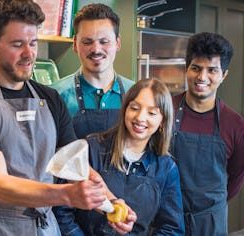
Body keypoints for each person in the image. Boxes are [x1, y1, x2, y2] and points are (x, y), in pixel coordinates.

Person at [0, 0, 136, 235]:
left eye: (34, 43)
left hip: (47, 227)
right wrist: (66, 195)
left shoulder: (49, 98)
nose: (29, 54)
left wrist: (111, 204)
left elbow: (76, 166)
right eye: (18, 44)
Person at [54, 78, 185, 235]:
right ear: (124, 111)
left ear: (162, 121)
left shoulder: (166, 168)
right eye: (135, 108)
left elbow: (171, 228)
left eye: (151, 113)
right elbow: (61, 211)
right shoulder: (91, 151)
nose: (140, 118)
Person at [169, 32, 244, 235]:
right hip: (167, 219)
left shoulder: (236, 127)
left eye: (212, 70)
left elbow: (235, 180)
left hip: (211, 224)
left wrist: (207, 208)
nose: (202, 77)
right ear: (186, 68)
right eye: (196, 68)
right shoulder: (164, 112)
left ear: (224, 75)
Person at [51, 3, 135, 139]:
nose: (96, 49)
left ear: (117, 43)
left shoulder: (136, 94)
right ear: (75, 44)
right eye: (87, 42)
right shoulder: (54, 96)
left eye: (104, 41)